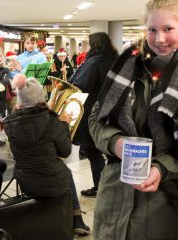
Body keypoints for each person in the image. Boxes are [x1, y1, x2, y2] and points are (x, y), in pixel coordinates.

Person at [89, 0, 178, 239]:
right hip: (115, 193)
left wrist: (161, 168)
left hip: (164, 202)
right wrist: (115, 142)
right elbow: (97, 119)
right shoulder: (126, 66)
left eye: (168, 29)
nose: (159, 39)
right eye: (152, 30)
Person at [2, 74, 90, 236]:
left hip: (25, 179)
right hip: (51, 181)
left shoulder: (9, 123)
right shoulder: (51, 120)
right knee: (65, 171)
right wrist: (63, 123)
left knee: (57, 168)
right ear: (40, 97)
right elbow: (65, 151)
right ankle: (77, 220)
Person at [69, 32, 119, 197]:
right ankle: (112, 185)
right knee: (110, 149)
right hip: (112, 111)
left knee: (92, 151)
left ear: (95, 45)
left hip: (92, 112)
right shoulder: (115, 61)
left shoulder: (94, 62)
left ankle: (100, 187)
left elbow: (80, 85)